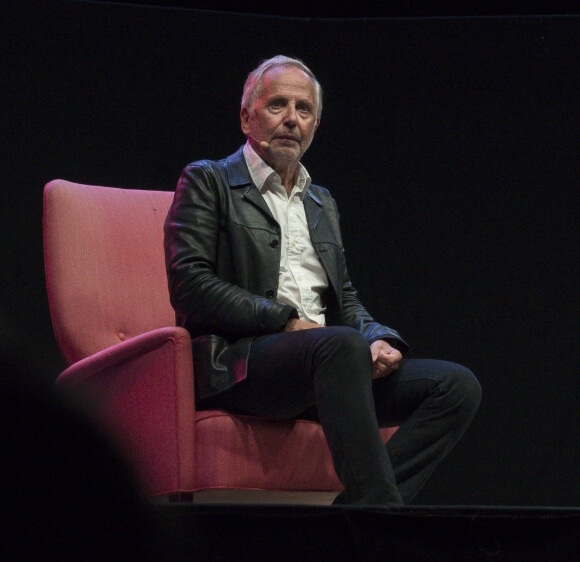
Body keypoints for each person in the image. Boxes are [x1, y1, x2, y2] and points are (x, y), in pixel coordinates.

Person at [164, 55, 481, 506]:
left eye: (304, 109)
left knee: (457, 386)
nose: (292, 119)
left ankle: (358, 511)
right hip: (243, 365)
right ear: (246, 117)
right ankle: (382, 523)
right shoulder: (208, 180)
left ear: (315, 123)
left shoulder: (321, 201)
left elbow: (344, 297)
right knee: (339, 345)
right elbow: (190, 287)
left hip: (329, 365)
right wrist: (288, 323)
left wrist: (377, 337)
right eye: (277, 105)